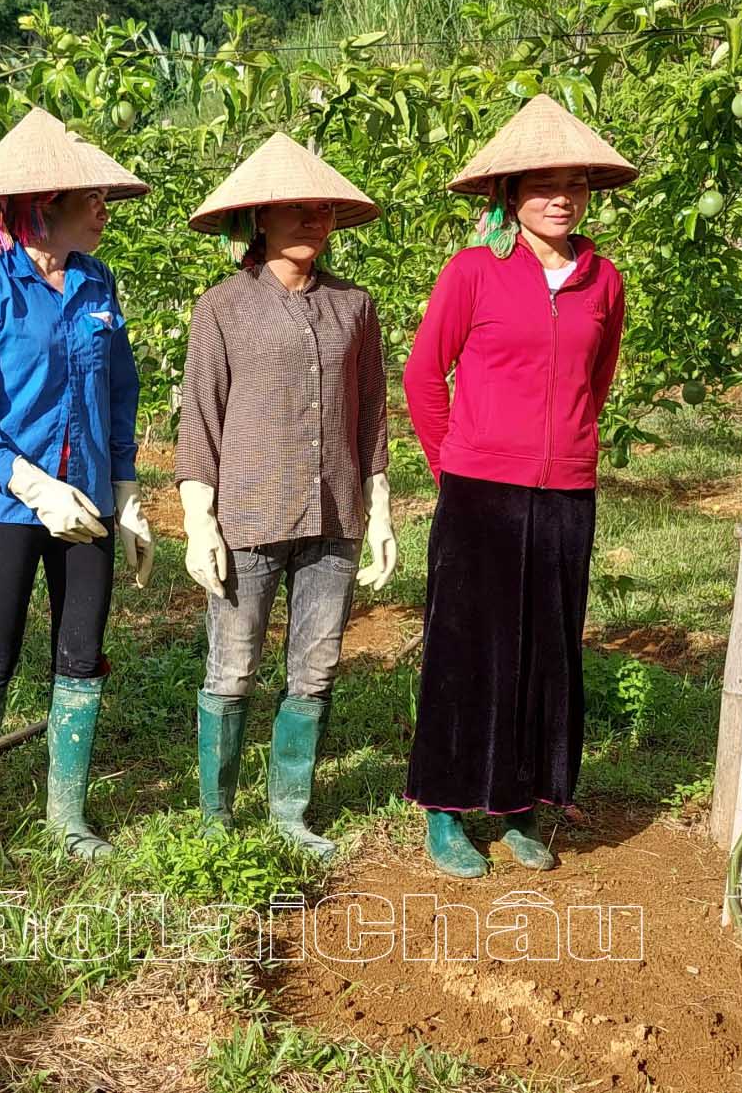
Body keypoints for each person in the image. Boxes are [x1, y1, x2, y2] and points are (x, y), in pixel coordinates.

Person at [402, 95, 636, 878]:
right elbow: (423, 375)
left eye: (573, 183)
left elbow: (593, 385)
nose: (560, 197)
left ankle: (518, 807)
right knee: (467, 649)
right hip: (478, 491)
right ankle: (445, 807)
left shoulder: (604, 281)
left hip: (566, 491)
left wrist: (564, 448)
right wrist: (454, 465)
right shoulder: (474, 271)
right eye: (542, 184)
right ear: (510, 195)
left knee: (545, 647)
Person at [0, 109, 155, 869]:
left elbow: (118, 389)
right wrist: (30, 483)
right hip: (3, 499)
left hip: (85, 496)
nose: (103, 209)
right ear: (40, 205)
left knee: (82, 652)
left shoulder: (96, 281)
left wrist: (124, 489)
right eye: (89, 197)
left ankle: (67, 817)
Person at [176, 134, 397, 861]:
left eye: (324, 209)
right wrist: (198, 521)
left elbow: (370, 413)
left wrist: (380, 509)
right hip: (247, 514)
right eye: (296, 209)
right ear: (260, 219)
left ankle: (290, 811)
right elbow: (200, 417)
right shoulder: (223, 308)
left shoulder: (354, 307)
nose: (314, 219)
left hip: (333, 514)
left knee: (317, 665)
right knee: (232, 668)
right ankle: (214, 816)